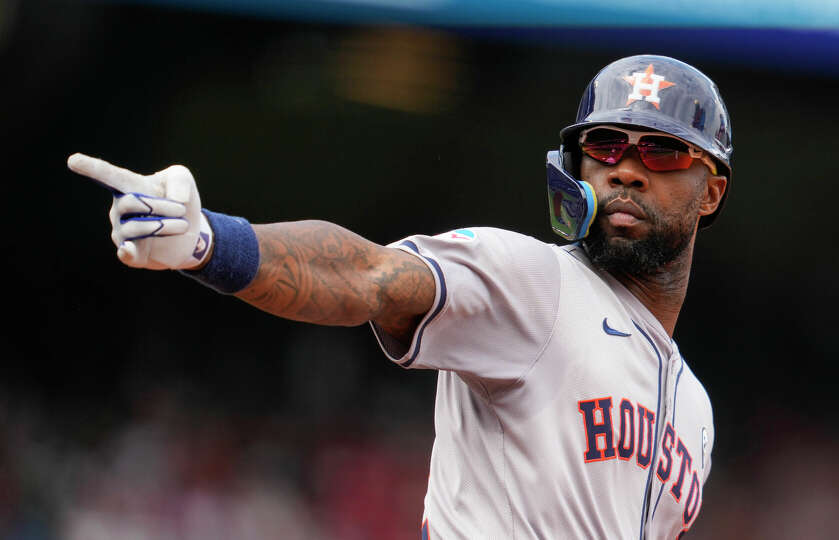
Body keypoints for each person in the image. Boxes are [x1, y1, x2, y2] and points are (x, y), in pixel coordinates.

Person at [69, 54, 732, 539]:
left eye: (663, 152)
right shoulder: (534, 282)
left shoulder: (696, 413)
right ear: (578, 165)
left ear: (711, 190)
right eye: (606, 144)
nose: (626, 166)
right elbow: (367, 275)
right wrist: (210, 242)